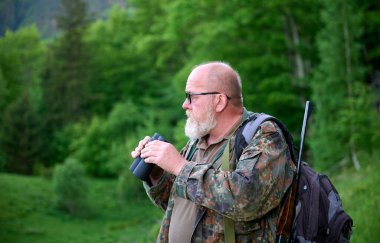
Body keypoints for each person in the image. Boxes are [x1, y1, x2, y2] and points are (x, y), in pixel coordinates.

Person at [131, 61, 296, 242]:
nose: (185, 105)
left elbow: (247, 199)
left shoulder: (265, 135)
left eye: (191, 96)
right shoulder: (198, 142)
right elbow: (177, 202)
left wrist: (179, 165)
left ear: (219, 101)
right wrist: (156, 172)